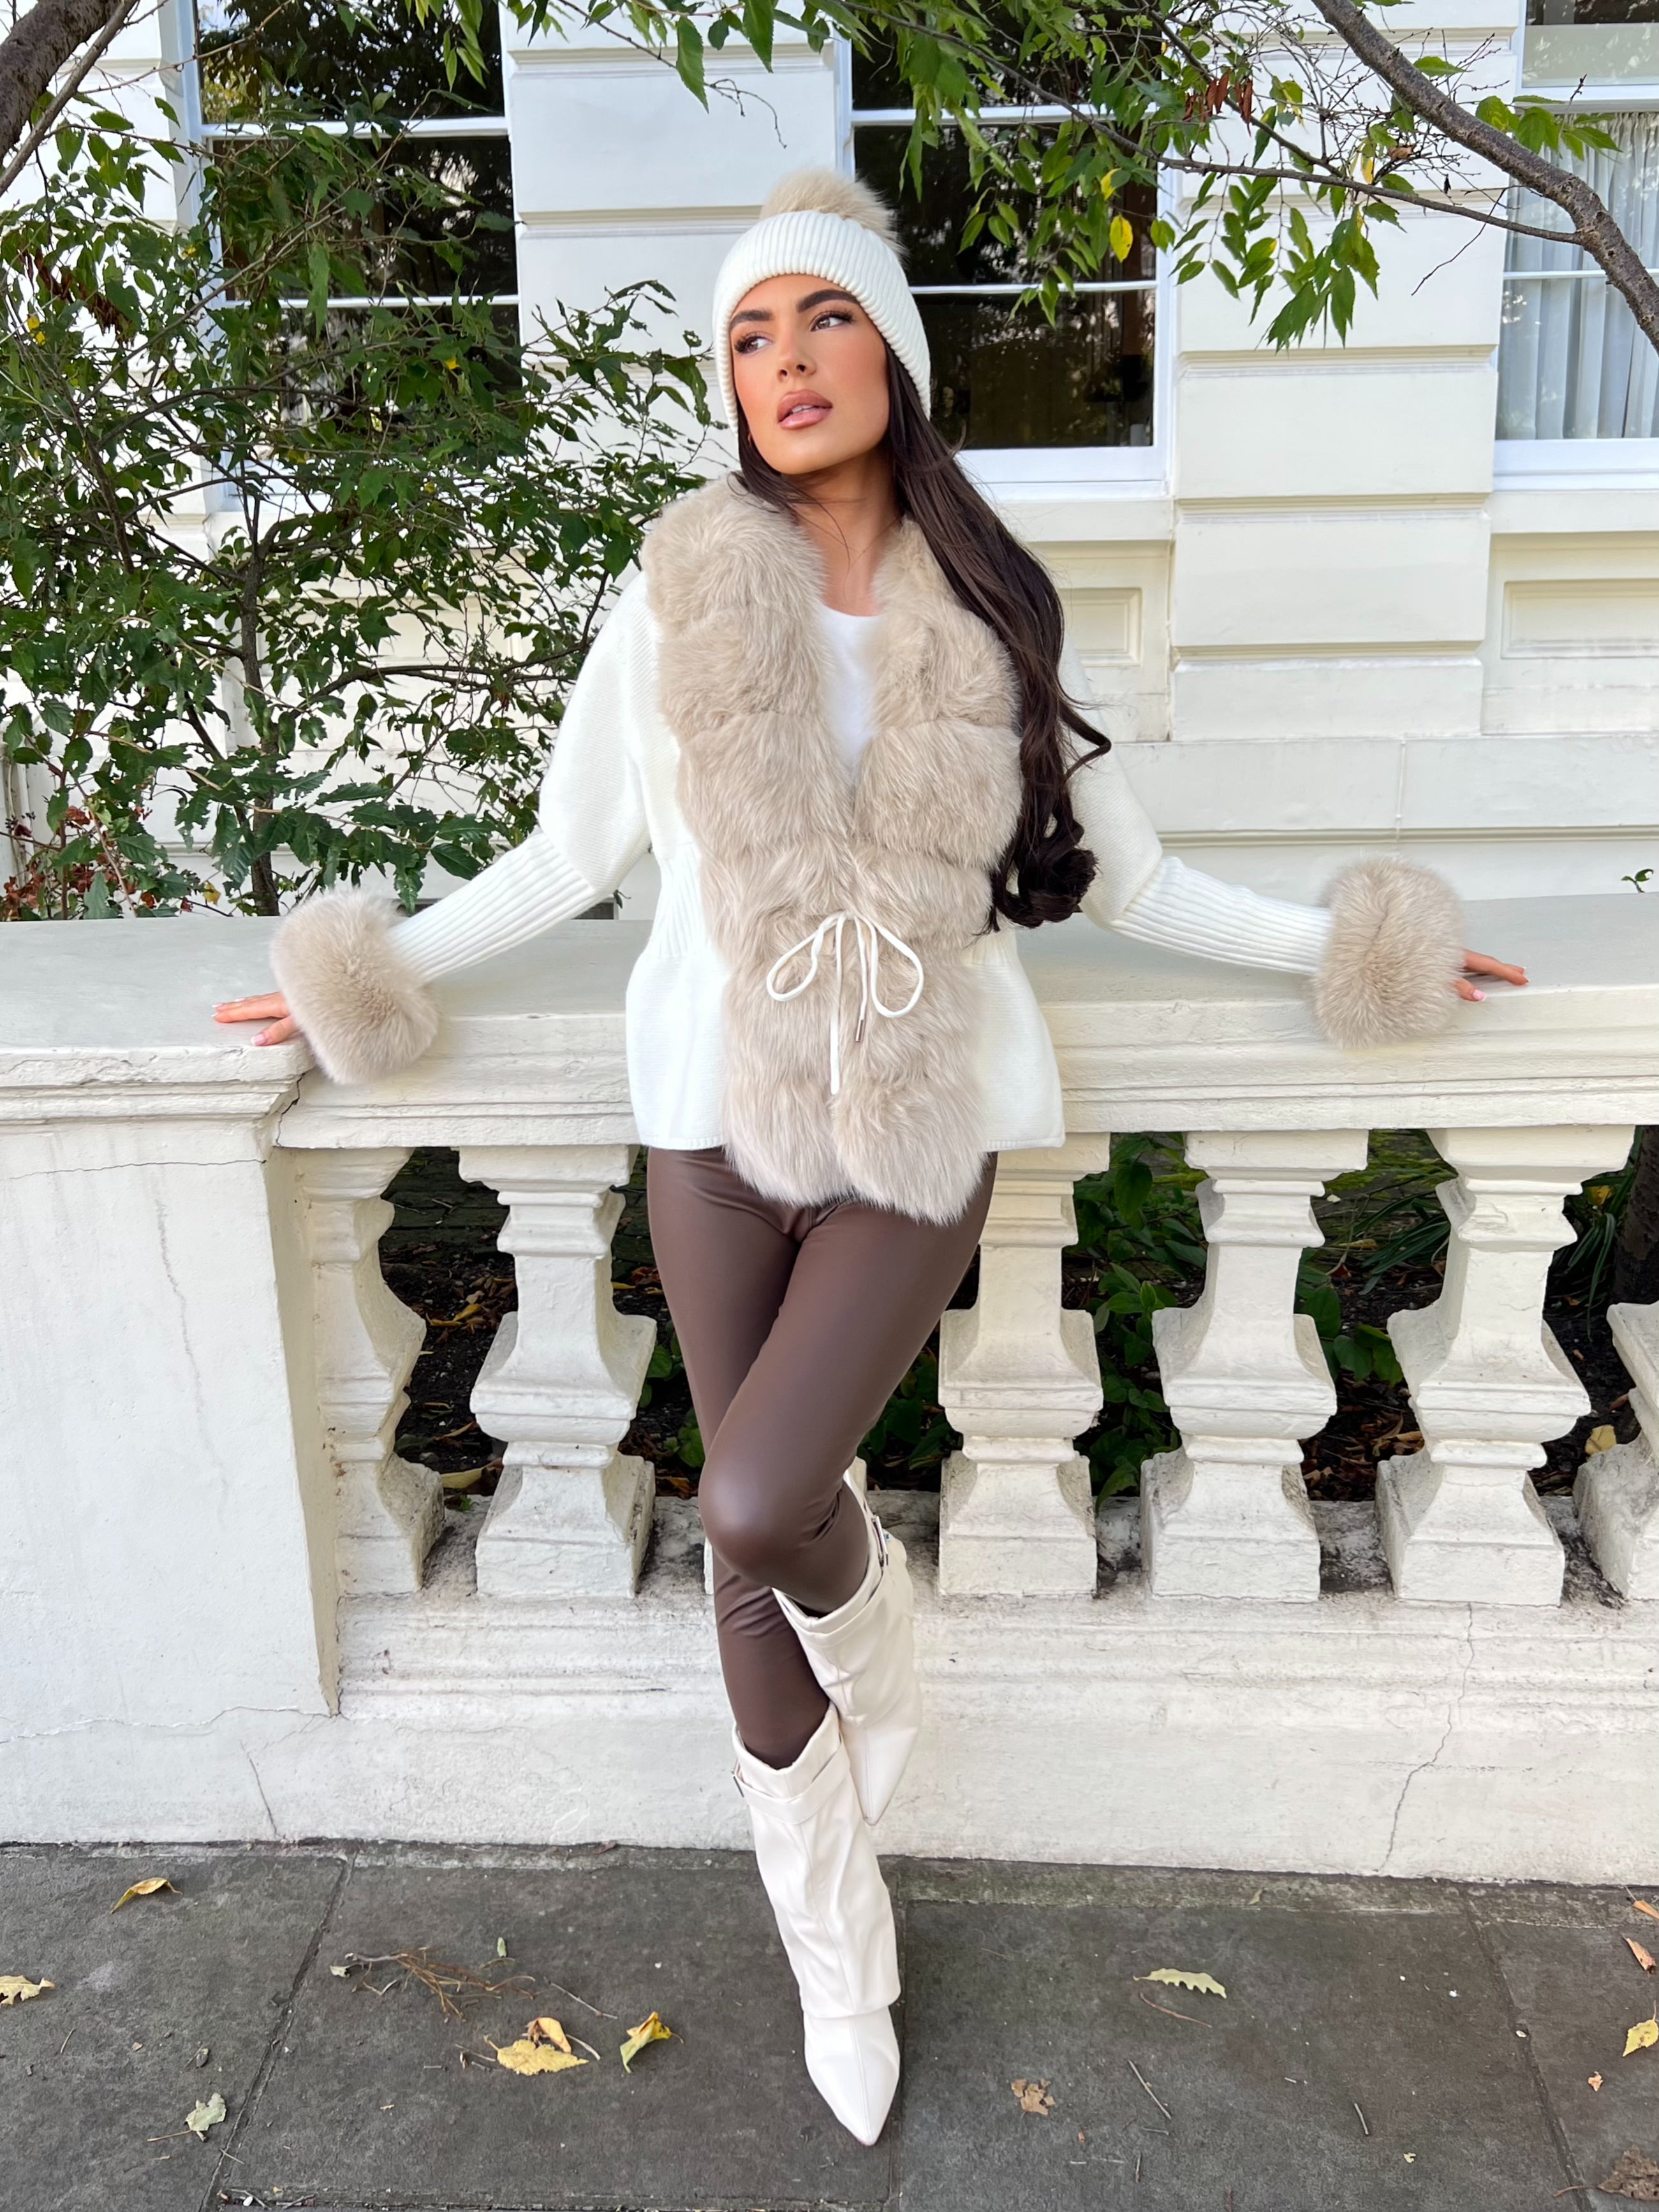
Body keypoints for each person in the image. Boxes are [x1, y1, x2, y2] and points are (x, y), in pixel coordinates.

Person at [214, 168, 1525, 2144]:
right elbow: (569, 857)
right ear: (727, 388)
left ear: (890, 352)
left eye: (819, 317)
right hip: (709, 1117)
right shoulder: (672, 594)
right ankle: (838, 1946)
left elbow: (1131, 879)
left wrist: (1364, 949)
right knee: (748, 1547)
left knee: (759, 1500)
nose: (784, 360)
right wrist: (359, 973)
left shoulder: (985, 603)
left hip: (918, 1118)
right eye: (747, 336)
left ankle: (879, 1654)